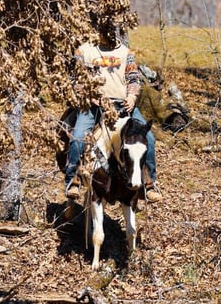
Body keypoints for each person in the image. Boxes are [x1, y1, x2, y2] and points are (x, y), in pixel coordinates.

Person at [64, 22, 162, 203]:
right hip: (92, 106)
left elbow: (133, 78)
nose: (107, 34)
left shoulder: (125, 52)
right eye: (103, 30)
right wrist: (89, 95)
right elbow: (74, 80)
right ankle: (73, 181)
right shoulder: (84, 51)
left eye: (110, 30)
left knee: (148, 139)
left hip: (122, 105)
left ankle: (149, 184)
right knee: (78, 137)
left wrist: (132, 95)